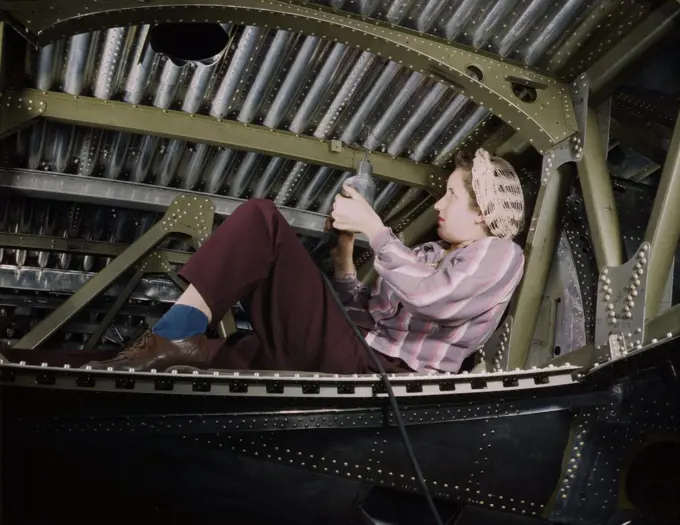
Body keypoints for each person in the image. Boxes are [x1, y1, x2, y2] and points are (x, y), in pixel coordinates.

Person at [82, 148, 526, 375]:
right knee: (230, 355)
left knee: (263, 219)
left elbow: (435, 299)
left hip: (387, 375)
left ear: (484, 211)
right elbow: (362, 315)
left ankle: (169, 339)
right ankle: (81, 364)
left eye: (452, 194)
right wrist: (345, 254)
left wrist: (374, 228)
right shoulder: (428, 255)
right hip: (358, 352)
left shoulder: (499, 252)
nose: (439, 204)